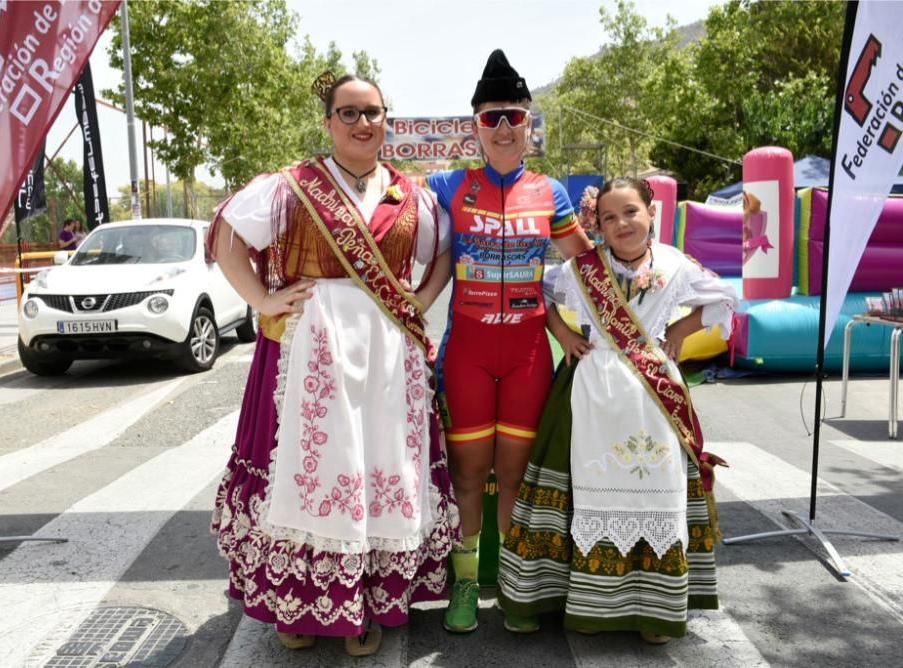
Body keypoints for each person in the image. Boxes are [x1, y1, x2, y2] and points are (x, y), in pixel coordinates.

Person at [208, 73, 458, 657]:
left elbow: (443, 253)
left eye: (373, 112)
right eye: (349, 113)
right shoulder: (290, 187)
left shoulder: (413, 195)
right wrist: (263, 300)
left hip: (385, 357)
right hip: (303, 351)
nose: (363, 123)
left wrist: (418, 302)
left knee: (373, 467)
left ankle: (364, 603)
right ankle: (295, 604)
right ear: (328, 122)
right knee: (309, 470)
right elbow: (226, 240)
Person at [497, 177, 738, 643]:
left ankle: (652, 609)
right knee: (573, 489)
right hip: (590, 386)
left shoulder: (675, 264)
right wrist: (565, 335)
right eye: (609, 217)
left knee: (653, 490)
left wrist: (683, 329)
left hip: (651, 393)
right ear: (598, 226)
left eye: (630, 212)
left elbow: (725, 297)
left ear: (651, 212)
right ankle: (542, 598)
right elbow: (540, 295)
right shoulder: (581, 267)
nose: (621, 224)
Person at [421, 49, 591, 634]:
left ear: (528, 125)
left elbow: (589, 269)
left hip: (525, 358)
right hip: (466, 355)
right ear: (475, 126)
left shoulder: (552, 194)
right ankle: (465, 586)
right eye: (491, 117)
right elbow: (385, 223)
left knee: (516, 478)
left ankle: (517, 588)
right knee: (469, 477)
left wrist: (655, 276)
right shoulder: (447, 185)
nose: (502, 128)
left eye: (512, 117)